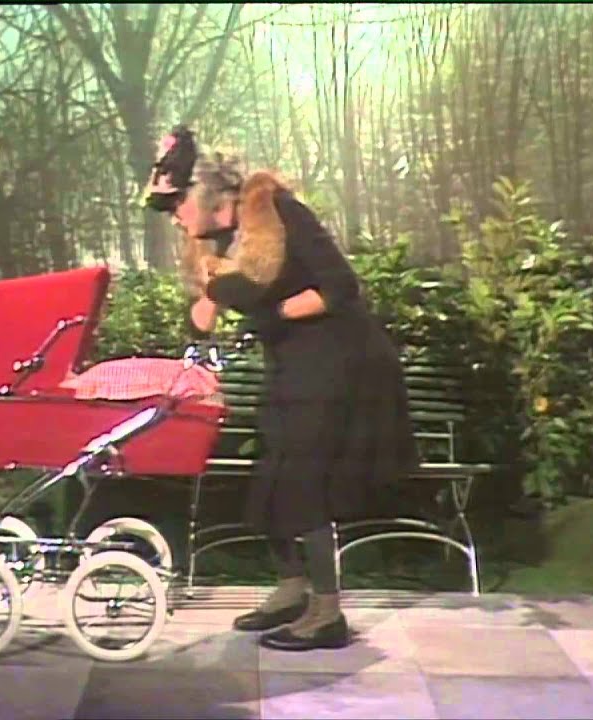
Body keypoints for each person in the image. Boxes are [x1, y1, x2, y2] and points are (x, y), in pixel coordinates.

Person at [144, 126, 418, 651]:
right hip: (293, 363)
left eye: (178, 203)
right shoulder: (217, 243)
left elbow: (340, 287)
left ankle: (326, 614)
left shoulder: (281, 215)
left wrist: (271, 317)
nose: (175, 216)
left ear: (208, 194)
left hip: (341, 358)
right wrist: (209, 295)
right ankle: (292, 589)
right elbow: (200, 320)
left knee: (303, 479)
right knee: (269, 477)